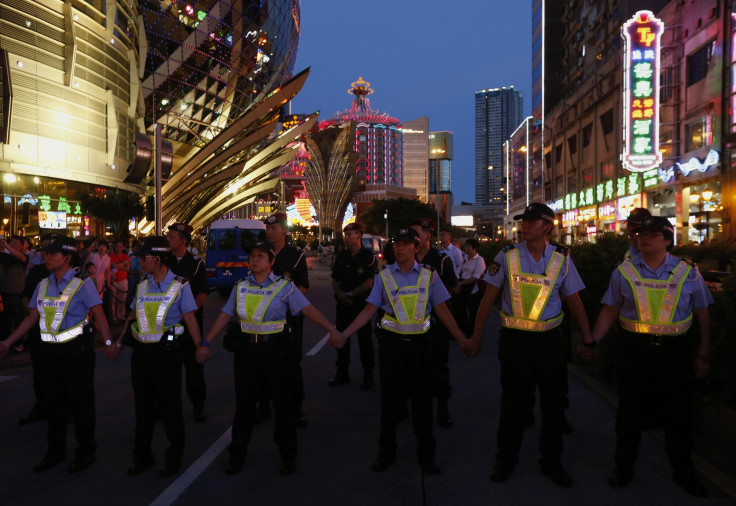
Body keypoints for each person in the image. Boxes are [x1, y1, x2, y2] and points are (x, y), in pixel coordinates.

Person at [579, 217, 713, 498]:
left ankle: (683, 471)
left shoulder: (688, 272)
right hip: (634, 351)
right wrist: (592, 340)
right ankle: (623, 467)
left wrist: (702, 354)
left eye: (653, 234)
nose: (644, 238)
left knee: (678, 415)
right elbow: (610, 310)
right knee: (629, 412)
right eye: (641, 234)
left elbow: (702, 315)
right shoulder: (624, 272)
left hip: (675, 353)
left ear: (668, 240)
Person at [468, 203, 592, 488]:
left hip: (549, 343)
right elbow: (488, 299)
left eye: (532, 221)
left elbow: (574, 299)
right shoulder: (507, 255)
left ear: (547, 226)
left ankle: (552, 461)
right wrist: (475, 337)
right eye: (523, 221)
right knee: (513, 403)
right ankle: (506, 459)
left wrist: (589, 338)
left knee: (552, 405)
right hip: (515, 343)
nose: (525, 226)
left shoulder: (562, 258)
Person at [195, 242, 344, 476]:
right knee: (244, 407)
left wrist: (331, 330)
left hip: (275, 352)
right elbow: (225, 315)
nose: (255, 260)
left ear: (271, 262)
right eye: (252, 256)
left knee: (282, 405)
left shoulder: (284, 287)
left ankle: (288, 455)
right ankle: (237, 456)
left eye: (260, 256)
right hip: (247, 353)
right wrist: (206, 343)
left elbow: (307, 309)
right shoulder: (241, 286)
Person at [341, 228, 471, 475]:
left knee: (422, 403)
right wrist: (345, 334)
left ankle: (427, 455)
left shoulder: (429, 276)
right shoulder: (384, 276)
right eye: (397, 244)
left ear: (416, 246)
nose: (400, 248)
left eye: (405, 244)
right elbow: (370, 309)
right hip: (392, 347)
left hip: (421, 348)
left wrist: (462, 340)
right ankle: (386, 452)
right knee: (389, 402)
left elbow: (442, 310)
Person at [0, 236, 117, 473]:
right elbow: (32, 317)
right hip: (49, 353)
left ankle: (86, 450)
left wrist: (108, 342)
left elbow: (99, 313)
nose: (46, 256)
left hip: (76, 352)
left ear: (67, 257)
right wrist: (8, 342)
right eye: (45, 252)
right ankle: (55, 450)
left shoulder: (83, 283)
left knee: (81, 402)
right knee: (53, 403)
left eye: (52, 253)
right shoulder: (43, 284)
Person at [115, 236, 204, 478]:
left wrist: (199, 345)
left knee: (170, 406)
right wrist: (119, 341)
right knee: (142, 406)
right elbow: (133, 315)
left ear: (157, 259)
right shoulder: (143, 284)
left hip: (166, 353)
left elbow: (190, 318)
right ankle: (142, 454)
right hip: (142, 354)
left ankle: (174, 455)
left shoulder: (180, 285)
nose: (140, 262)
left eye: (143, 258)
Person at [410, 217, 458, 428]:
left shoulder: (441, 259)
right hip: (410, 326)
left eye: (415, 234)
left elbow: (452, 288)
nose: (411, 239)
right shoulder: (405, 258)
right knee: (410, 368)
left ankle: (442, 408)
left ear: (426, 236)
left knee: (438, 368)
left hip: (436, 325)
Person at [263, 212, 309, 426]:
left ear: (284, 230)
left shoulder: (296, 255)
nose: (270, 231)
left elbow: (302, 285)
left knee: (291, 364)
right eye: (268, 228)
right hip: (263, 319)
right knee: (263, 363)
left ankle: (296, 408)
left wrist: (285, 303)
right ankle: (263, 407)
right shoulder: (260, 253)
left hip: (289, 318)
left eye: (274, 228)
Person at [17, 232, 62, 426]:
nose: (46, 254)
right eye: (44, 249)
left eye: (51, 249)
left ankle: (63, 407)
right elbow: (25, 296)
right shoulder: (36, 272)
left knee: (61, 372)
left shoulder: (69, 274)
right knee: (39, 370)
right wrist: (34, 312)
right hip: (38, 330)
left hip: (60, 332)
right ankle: (41, 405)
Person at [166, 223, 209, 423]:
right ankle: (165, 405)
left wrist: (188, 314)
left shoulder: (196, 264)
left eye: (172, 237)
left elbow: (202, 292)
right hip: (168, 324)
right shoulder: (165, 262)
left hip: (190, 324)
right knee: (167, 365)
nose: (169, 240)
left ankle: (198, 404)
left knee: (193, 365)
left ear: (183, 241)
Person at [329, 222, 378, 389]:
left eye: (350, 234)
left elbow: (368, 283)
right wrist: (341, 295)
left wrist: (350, 294)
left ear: (359, 235)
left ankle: (368, 375)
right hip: (343, 305)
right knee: (341, 340)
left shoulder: (368, 257)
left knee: (365, 342)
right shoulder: (342, 257)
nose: (346, 237)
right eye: (345, 235)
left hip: (361, 306)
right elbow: (335, 280)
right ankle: (342, 373)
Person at [455, 238, 486, 334]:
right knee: (460, 311)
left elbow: (476, 277)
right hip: (463, 289)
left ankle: (473, 333)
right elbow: (458, 272)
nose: (466, 249)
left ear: (474, 248)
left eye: (468, 247)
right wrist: (457, 283)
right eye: (466, 246)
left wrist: (461, 283)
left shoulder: (479, 260)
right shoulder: (464, 259)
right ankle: (466, 330)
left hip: (473, 290)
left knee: (473, 313)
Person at [109, 239, 130, 322]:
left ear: (122, 247)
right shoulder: (110, 256)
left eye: (120, 247)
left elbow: (127, 268)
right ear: (114, 247)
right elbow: (110, 267)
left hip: (122, 280)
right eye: (117, 247)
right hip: (113, 280)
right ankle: (113, 317)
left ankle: (121, 315)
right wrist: (122, 264)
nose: (118, 248)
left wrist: (115, 265)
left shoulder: (125, 256)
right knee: (112, 300)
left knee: (122, 299)